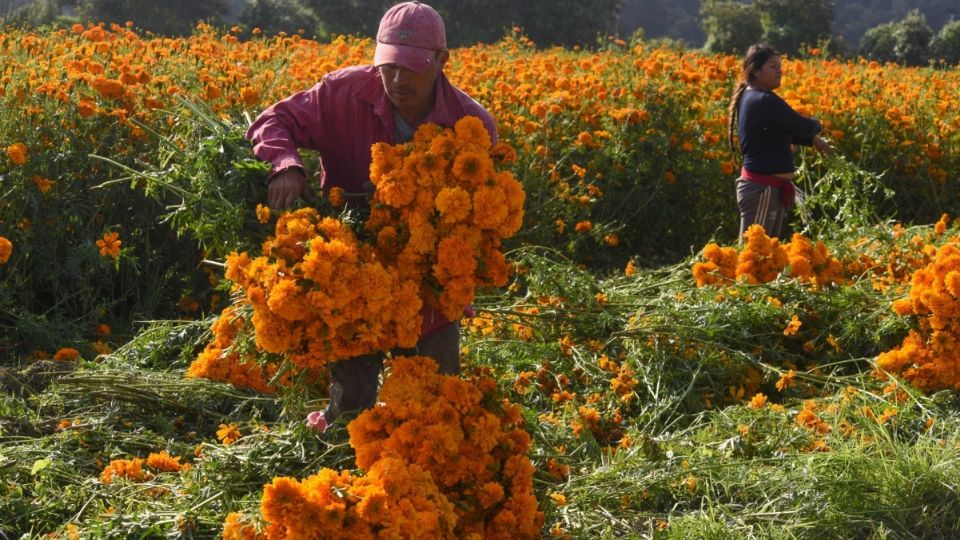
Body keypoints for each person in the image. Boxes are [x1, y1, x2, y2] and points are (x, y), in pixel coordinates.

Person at [245, 1, 497, 433]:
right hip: (352, 272)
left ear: (441, 61)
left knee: (436, 408)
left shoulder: (470, 124)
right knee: (352, 406)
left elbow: (479, 226)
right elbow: (275, 119)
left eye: (411, 68)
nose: (397, 80)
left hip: (427, 284)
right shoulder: (342, 92)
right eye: (389, 66)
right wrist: (285, 165)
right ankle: (344, 451)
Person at [727, 43, 832, 241]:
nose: (779, 71)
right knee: (755, 256)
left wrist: (813, 141)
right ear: (756, 71)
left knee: (765, 256)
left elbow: (780, 132)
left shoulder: (754, 97)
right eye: (773, 66)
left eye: (780, 66)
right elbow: (800, 125)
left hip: (767, 189)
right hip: (762, 190)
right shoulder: (764, 100)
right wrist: (817, 126)